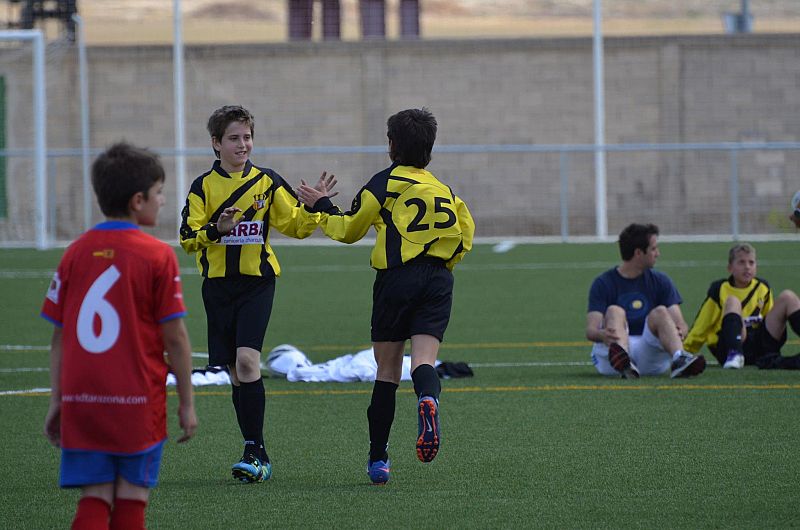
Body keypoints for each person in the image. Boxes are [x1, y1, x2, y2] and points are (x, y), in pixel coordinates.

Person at [296, 107, 475, 485]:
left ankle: (378, 460)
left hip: (397, 279)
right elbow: (465, 236)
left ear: (392, 145)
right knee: (423, 362)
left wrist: (321, 206)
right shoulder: (444, 190)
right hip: (440, 280)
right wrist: (440, 268)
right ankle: (429, 400)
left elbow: (348, 229)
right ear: (430, 149)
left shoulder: (385, 182)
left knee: (388, 371)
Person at [41, 143, 197, 530]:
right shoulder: (157, 255)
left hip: (83, 398)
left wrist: (58, 399)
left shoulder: (74, 253)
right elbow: (175, 338)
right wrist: (186, 404)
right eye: (159, 193)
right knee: (131, 498)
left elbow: (59, 337)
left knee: (94, 496)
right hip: (136, 399)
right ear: (137, 200)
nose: (163, 202)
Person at [179, 104, 335, 484]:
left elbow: (294, 225)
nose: (243, 144)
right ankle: (254, 447)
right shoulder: (203, 187)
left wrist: (317, 209)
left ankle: (256, 451)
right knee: (235, 372)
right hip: (217, 288)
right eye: (234, 138)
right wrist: (219, 228)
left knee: (248, 362)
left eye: (247, 137)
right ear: (216, 143)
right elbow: (188, 239)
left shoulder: (267, 182)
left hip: (257, 283)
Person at [585, 222, 706, 379]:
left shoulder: (661, 281)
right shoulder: (603, 283)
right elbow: (591, 330)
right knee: (614, 310)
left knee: (660, 311)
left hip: (649, 356)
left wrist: (680, 331)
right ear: (638, 253)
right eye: (653, 249)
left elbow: (681, 324)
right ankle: (623, 361)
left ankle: (679, 359)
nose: (658, 253)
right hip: (612, 356)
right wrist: (603, 335)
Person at [683, 243, 800, 369]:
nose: (747, 267)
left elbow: (770, 320)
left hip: (759, 345)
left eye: (751, 263)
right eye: (741, 262)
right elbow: (702, 326)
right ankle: (735, 355)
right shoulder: (720, 289)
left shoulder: (762, 287)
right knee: (733, 301)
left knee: (788, 297)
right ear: (730, 268)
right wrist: (683, 351)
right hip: (729, 346)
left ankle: (765, 356)